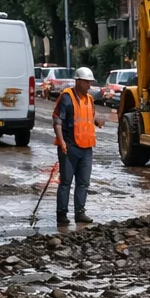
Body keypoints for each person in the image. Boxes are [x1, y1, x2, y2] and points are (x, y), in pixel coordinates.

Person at [53, 66, 104, 226]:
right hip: (69, 146)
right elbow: (57, 121)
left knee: (83, 183)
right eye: (87, 83)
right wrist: (61, 141)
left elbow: (89, 117)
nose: (89, 86)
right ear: (78, 81)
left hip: (86, 148)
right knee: (66, 182)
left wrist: (97, 121)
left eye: (90, 83)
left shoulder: (89, 99)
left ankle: (79, 213)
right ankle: (62, 214)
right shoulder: (67, 98)